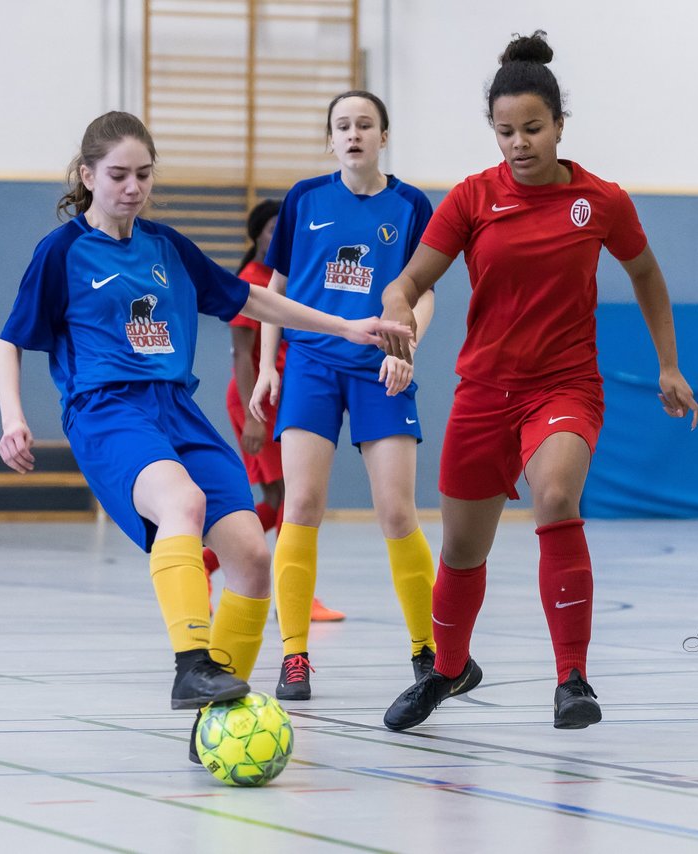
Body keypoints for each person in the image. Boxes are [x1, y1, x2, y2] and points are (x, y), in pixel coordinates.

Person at [0, 112, 410, 752]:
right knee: (181, 504)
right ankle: (192, 666)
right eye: (117, 175)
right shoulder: (63, 251)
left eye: (142, 174)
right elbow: (9, 343)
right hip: (106, 411)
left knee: (252, 556)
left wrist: (343, 326)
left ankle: (214, 722)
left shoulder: (166, 246)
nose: (132, 187)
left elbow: (252, 300)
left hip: (177, 410)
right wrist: (14, 418)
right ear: (87, 176)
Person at [377, 32, 698, 731]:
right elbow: (409, 280)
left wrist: (667, 364)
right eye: (505, 132)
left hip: (563, 386)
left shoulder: (600, 201)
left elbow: (645, 273)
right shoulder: (470, 199)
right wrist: (396, 307)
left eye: (532, 128)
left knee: (556, 495)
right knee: (463, 550)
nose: (519, 144)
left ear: (559, 124)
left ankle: (572, 680)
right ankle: (449, 668)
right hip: (483, 392)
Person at [249, 90, 438, 701]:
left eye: (365, 124)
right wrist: (266, 366)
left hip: (380, 367)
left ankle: (428, 650)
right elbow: (275, 289)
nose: (353, 134)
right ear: (329, 138)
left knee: (397, 511)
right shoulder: (305, 199)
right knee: (301, 504)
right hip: (309, 364)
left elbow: (423, 292)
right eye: (342, 126)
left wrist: (403, 349)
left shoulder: (411, 205)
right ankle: (295, 655)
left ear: (384, 135)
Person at [200, 198, 346, 624]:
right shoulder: (251, 279)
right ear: (258, 234)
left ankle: (207, 565)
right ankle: (294, 594)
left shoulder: (292, 277)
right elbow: (242, 355)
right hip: (256, 398)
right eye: (269, 229)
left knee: (281, 497)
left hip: (287, 396)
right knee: (287, 496)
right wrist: (252, 416)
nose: (276, 235)